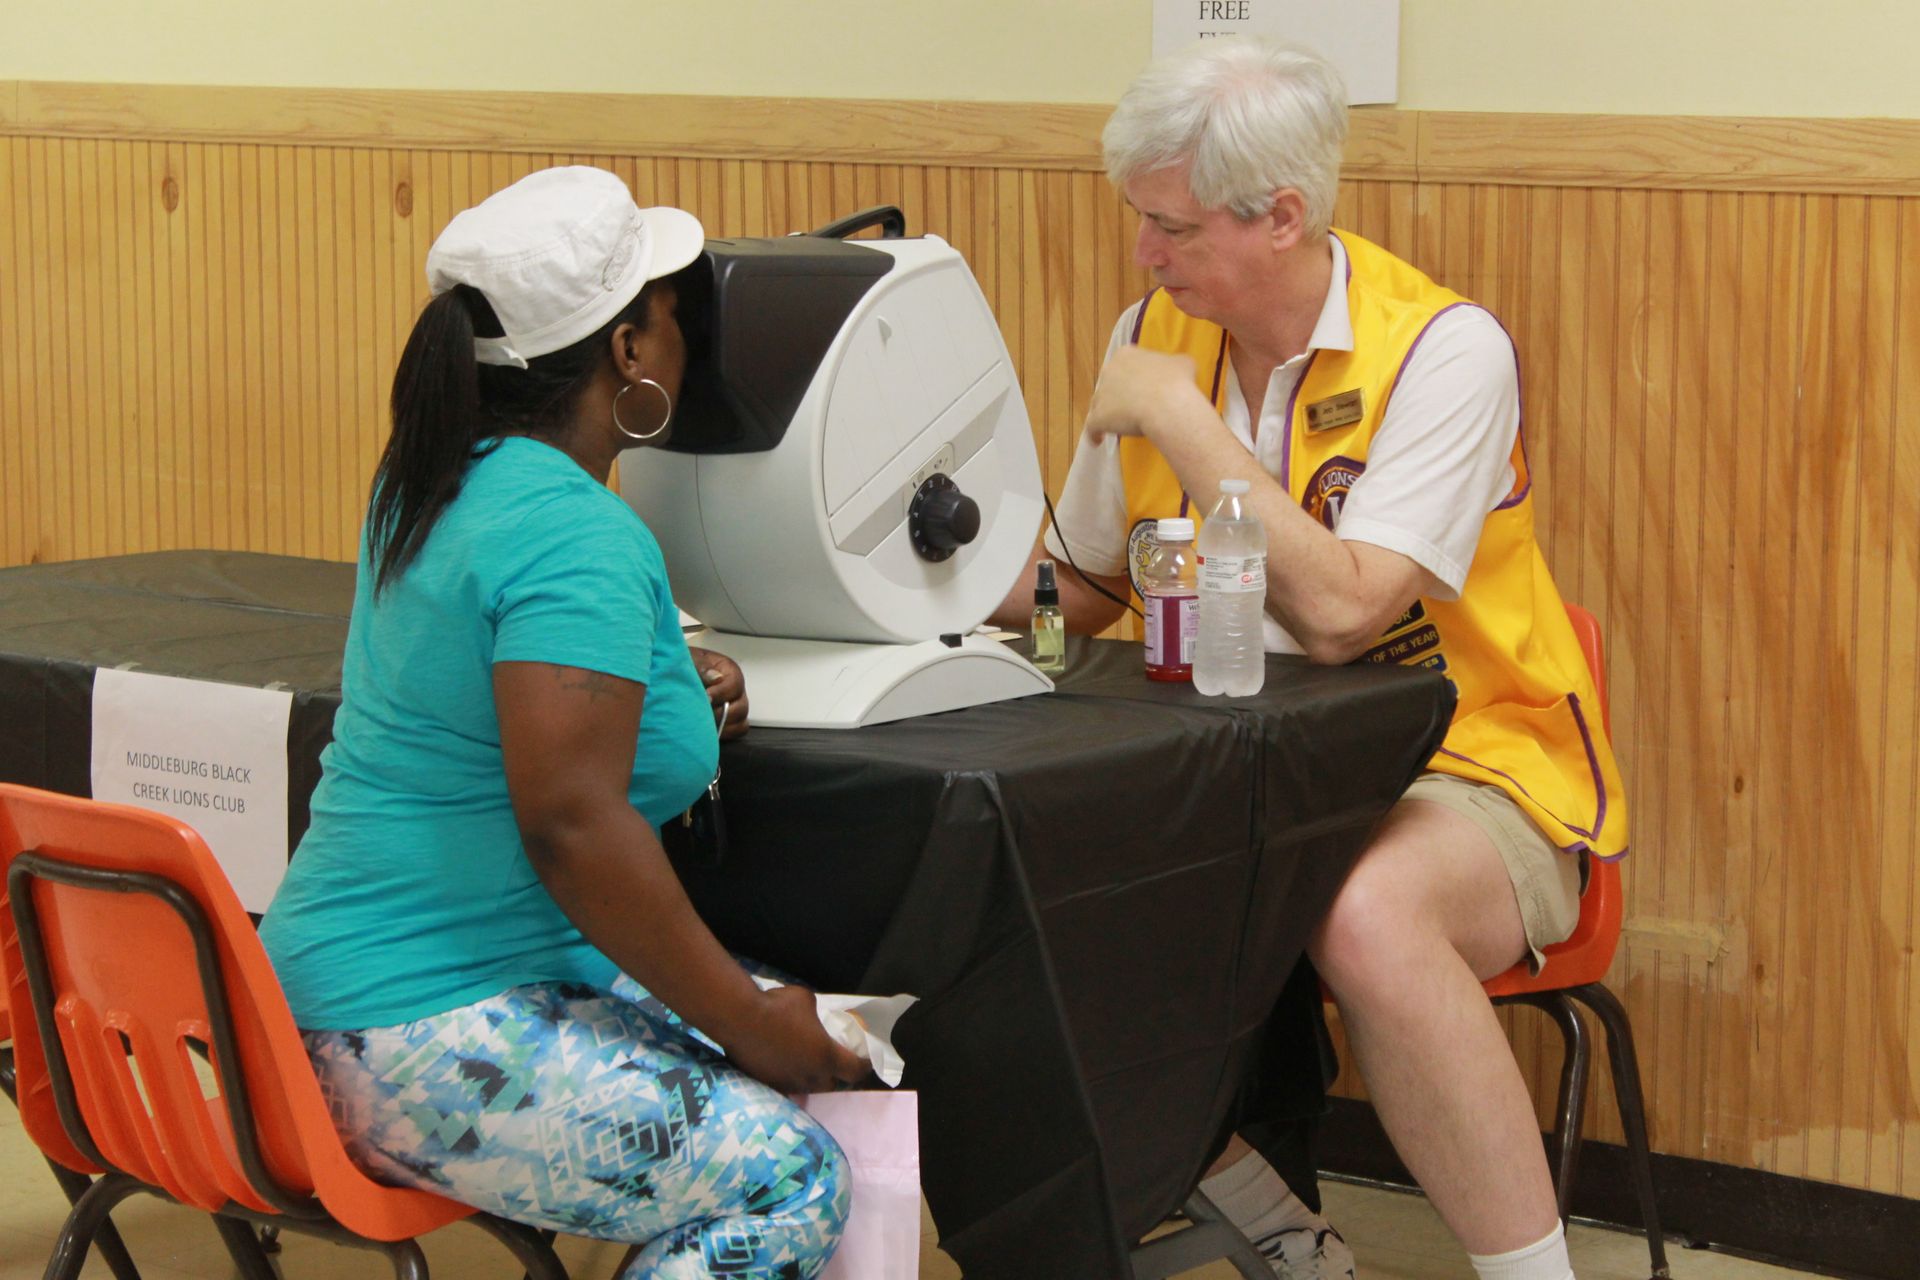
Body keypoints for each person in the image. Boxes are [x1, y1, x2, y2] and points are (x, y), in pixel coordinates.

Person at [992, 38, 1629, 1280]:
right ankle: (1275, 1223)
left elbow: (1344, 611)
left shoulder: (1447, 350)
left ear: (1280, 216)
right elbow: (1090, 587)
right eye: (1140, 222)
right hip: (1235, 765)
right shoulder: (1158, 324)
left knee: (1364, 907)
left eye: (1169, 227)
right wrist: (912, 573)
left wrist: (1180, 414)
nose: (1145, 257)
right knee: (1024, 868)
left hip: (1473, 766)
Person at [261, 166, 867, 1280]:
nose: (685, 337)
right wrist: (749, 1023)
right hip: (411, 1027)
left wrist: (657, 675)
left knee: (773, 1025)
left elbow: (503, 703)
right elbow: (571, 821)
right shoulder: (576, 532)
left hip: (312, 1001)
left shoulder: (434, 483)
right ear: (630, 350)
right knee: (791, 1174)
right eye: (674, 315)